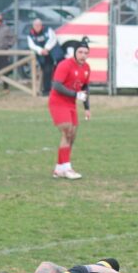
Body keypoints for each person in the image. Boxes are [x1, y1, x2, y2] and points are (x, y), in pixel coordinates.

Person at [47, 38, 91, 180]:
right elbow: (57, 86)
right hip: (58, 102)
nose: (83, 55)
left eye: (86, 52)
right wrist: (75, 94)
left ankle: (59, 169)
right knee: (67, 132)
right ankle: (67, 168)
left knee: (72, 136)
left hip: (71, 104)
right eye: (80, 52)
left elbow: (85, 88)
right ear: (75, 52)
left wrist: (87, 107)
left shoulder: (86, 68)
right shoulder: (65, 65)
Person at [27, 18, 58, 96]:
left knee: (50, 71)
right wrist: (41, 50)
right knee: (45, 71)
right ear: (33, 26)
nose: (37, 27)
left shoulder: (48, 30)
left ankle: (51, 90)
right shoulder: (30, 34)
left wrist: (46, 48)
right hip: (40, 55)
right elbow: (32, 45)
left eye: (39, 25)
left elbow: (53, 39)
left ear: (41, 25)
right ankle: (45, 90)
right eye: (36, 25)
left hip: (52, 53)